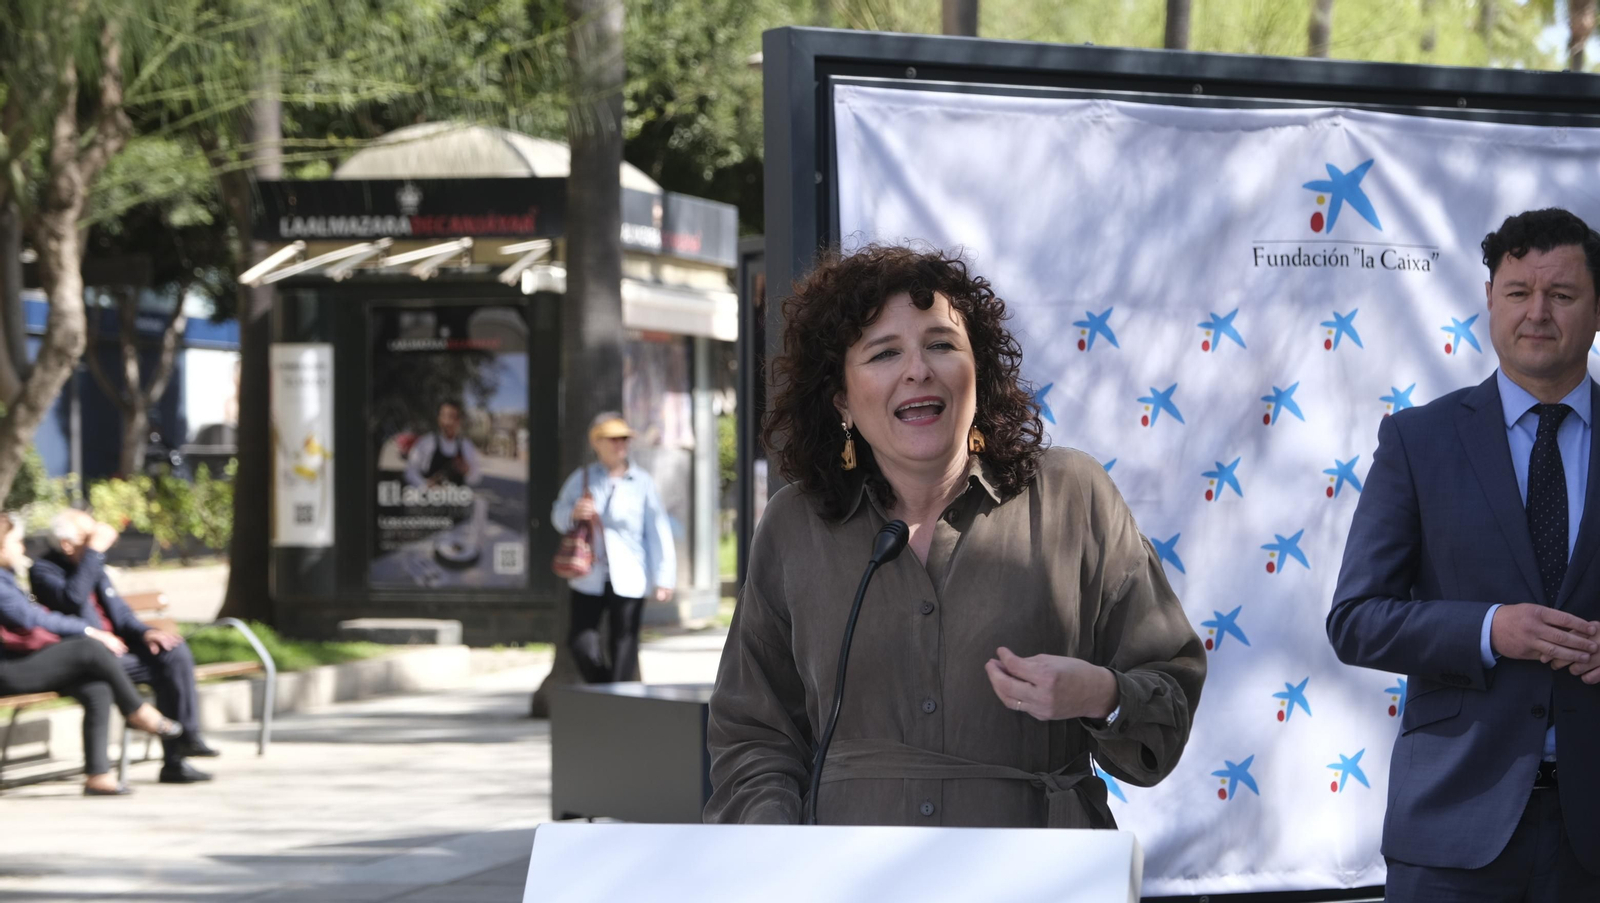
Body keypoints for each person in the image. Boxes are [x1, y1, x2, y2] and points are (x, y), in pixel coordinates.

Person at [704, 246, 1205, 827]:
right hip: (851, 869)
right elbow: (753, 735)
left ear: (978, 371)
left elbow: (1168, 700)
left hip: (1039, 867)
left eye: (941, 345)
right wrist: (775, 843)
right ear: (841, 399)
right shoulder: (794, 525)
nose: (918, 369)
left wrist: (1102, 695)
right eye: (884, 353)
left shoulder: (1074, 494)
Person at [1328, 208, 1600, 900]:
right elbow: (1355, 619)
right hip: (1450, 834)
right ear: (1489, 300)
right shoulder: (1418, 441)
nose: (1537, 313)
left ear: (1599, 309)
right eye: (1518, 292)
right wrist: (1489, 629)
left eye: (1562, 294)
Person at [0, 511, 182, 796]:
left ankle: (98, 775)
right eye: (16, 541)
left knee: (96, 687)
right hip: (8, 670)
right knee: (89, 648)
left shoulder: (6, 577)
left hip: (19, 662)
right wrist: (89, 631)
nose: (22, 547)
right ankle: (137, 711)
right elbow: (30, 618)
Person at [31, 510, 218, 784]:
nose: (98, 542)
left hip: (119, 651)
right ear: (67, 544)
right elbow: (73, 598)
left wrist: (147, 632)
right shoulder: (44, 570)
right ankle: (172, 751)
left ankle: (184, 744)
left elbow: (120, 612)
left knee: (173, 654)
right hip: (90, 658)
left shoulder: (90, 562)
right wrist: (93, 552)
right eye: (89, 536)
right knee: (155, 675)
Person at [550, 413, 676, 683]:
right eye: (613, 439)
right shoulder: (582, 478)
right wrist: (573, 513)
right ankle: (605, 689)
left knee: (624, 643)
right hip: (588, 575)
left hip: (631, 574)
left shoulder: (642, 482)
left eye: (624, 439)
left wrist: (664, 578)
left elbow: (658, 531)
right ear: (596, 442)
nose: (620, 444)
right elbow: (557, 514)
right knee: (581, 643)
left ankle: (619, 698)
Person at [403, 399, 483, 489]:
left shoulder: (466, 446)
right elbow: (410, 472)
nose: (448, 421)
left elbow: (476, 478)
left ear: (459, 421)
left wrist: (467, 471)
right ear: (439, 419)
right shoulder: (426, 442)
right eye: (444, 416)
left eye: (452, 417)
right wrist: (425, 485)